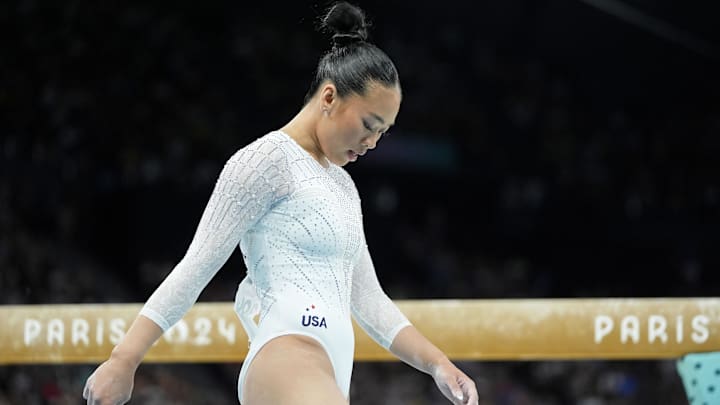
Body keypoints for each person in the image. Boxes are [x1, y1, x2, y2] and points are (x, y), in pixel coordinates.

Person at [82, 2, 479, 404]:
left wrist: (437, 363)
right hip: (287, 356)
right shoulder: (265, 161)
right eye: (368, 126)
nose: (372, 143)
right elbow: (196, 266)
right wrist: (123, 359)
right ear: (329, 97)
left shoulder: (343, 186)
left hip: (330, 370)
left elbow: (368, 299)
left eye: (383, 133)